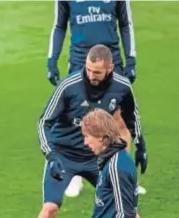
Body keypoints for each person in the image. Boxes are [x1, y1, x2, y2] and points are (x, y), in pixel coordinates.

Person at [26, 45, 160, 218]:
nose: (91, 75)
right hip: (64, 155)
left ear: (110, 68)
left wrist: (140, 145)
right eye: (88, 69)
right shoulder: (69, 85)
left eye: (97, 72)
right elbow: (44, 122)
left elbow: (132, 117)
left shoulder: (121, 86)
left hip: (99, 157)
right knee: (49, 208)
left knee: (129, 209)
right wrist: (51, 155)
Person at [46, 0, 146, 197]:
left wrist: (131, 59)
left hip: (112, 61)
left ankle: (124, 177)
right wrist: (52, 60)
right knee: (78, 119)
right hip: (80, 62)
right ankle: (75, 175)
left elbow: (126, 24)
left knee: (120, 121)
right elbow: (59, 25)